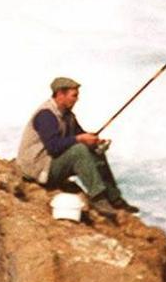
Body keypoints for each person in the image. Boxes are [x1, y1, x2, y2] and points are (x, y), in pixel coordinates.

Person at [16, 76, 139, 216]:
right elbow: (53, 146)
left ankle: (114, 199)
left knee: (94, 151)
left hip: (51, 163)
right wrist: (80, 139)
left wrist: (94, 141)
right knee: (79, 150)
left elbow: (79, 135)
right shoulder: (46, 115)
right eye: (74, 95)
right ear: (60, 94)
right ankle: (97, 198)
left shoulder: (68, 116)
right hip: (39, 168)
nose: (76, 99)